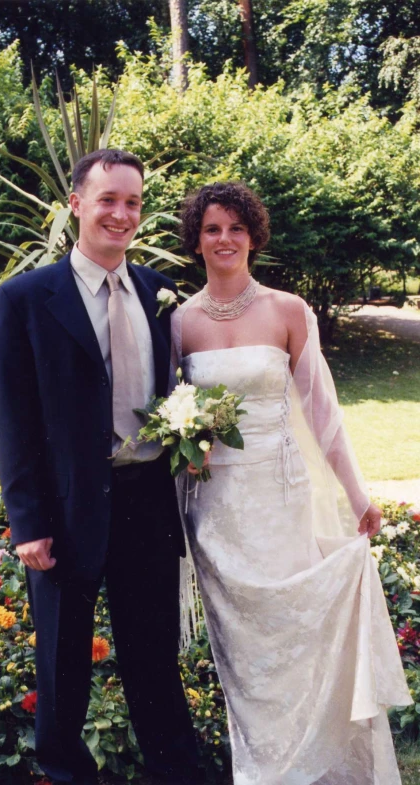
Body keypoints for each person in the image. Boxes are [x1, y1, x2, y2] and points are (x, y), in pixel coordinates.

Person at [172, 181, 412, 785]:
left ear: (253, 235)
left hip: (280, 501)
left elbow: (322, 412)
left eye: (236, 228)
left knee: (298, 638)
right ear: (197, 240)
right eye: (212, 229)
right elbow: (169, 411)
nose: (225, 239)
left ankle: (321, 765)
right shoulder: (179, 323)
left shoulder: (287, 310)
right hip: (216, 512)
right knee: (247, 661)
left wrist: (358, 494)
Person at [0, 149, 202, 785]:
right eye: (107, 199)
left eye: (132, 202)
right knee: (62, 660)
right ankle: (64, 771)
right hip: (65, 505)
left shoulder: (157, 293)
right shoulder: (25, 297)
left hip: (146, 500)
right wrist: (27, 522)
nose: (121, 213)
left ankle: (175, 771)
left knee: (153, 657)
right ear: (77, 204)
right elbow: (13, 417)